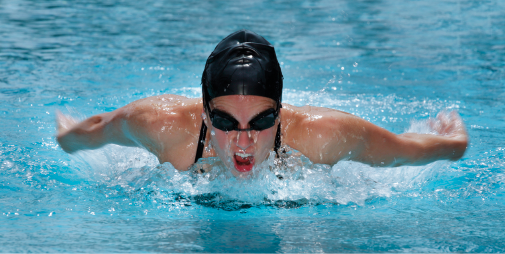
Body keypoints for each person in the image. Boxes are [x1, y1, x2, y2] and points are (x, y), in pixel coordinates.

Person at [56, 30, 468, 177]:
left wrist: (454, 143)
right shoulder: (162, 126)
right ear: (203, 113)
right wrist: (68, 138)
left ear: (282, 112)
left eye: (262, 119)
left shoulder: (324, 136)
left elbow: (403, 152)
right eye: (224, 121)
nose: (244, 141)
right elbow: (97, 129)